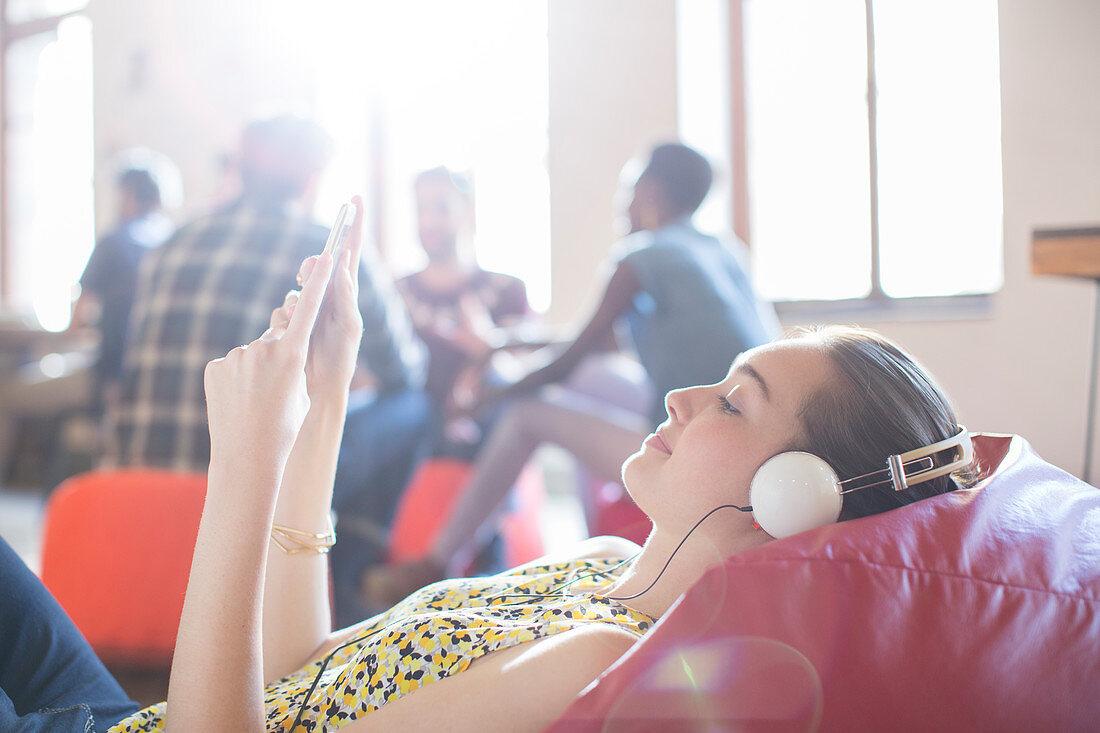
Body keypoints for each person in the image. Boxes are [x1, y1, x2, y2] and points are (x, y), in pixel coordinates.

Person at [0, 217, 970, 728]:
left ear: (789, 497)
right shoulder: (593, 564)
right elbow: (303, 679)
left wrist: (244, 467)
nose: (679, 396)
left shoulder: (600, 659)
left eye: (731, 401)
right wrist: (326, 399)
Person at [365, 142, 781, 601]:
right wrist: (503, 344)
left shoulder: (640, 256)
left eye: (629, 190)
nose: (621, 204)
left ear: (653, 192)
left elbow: (567, 361)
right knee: (590, 379)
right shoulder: (719, 250)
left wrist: (489, 397)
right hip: (758, 437)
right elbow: (592, 343)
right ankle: (591, 544)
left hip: (708, 455)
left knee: (528, 414)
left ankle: (435, 561)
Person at [103, 116, 429, 626]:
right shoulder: (323, 249)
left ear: (239, 168)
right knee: (413, 407)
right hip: (246, 489)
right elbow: (405, 366)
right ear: (310, 178)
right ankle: (348, 577)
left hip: (134, 483)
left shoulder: (174, 241)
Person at [396, 166, 531, 459]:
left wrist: (484, 346)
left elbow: (525, 376)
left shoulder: (508, 290)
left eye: (441, 208)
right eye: (421, 209)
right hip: (412, 428)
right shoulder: (394, 293)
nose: (429, 221)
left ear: (467, 212)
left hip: (486, 427)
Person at [70, 150, 180, 415]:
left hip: (116, 369)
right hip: (164, 371)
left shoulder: (115, 241)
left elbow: (79, 317)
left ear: (127, 193)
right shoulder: (174, 240)